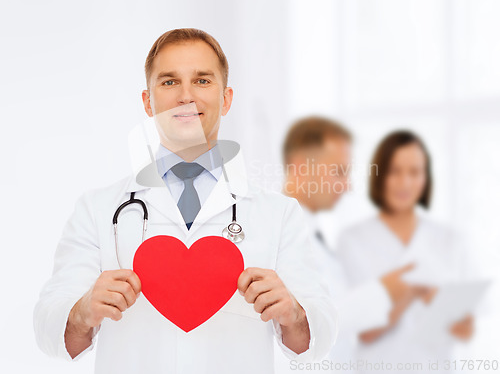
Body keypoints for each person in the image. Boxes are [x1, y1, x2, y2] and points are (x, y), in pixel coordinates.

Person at [33, 28, 336, 374]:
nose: (186, 96)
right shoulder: (97, 209)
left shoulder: (278, 214)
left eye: (203, 81)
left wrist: (294, 314)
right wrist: (82, 311)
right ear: (148, 102)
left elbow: (320, 335)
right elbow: (48, 328)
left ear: (226, 99)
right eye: (169, 82)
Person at [275, 117, 415, 373]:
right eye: (338, 172)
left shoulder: (317, 234)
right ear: (301, 168)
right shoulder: (275, 234)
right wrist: (383, 292)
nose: (347, 186)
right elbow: (308, 321)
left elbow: (336, 316)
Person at [337, 130, 475, 373]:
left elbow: (465, 330)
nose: (405, 183)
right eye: (395, 171)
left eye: (414, 172)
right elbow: (363, 331)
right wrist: (412, 290)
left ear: (426, 178)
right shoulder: (353, 240)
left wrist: (441, 305)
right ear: (380, 176)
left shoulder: (450, 240)